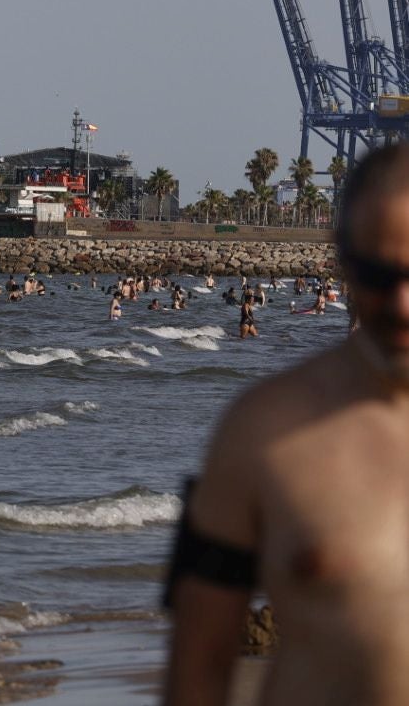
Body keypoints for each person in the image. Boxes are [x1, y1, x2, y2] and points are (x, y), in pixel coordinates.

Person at [165, 143, 409, 704]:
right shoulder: (260, 431)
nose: (400, 299)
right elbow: (198, 662)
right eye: (378, 272)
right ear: (343, 263)